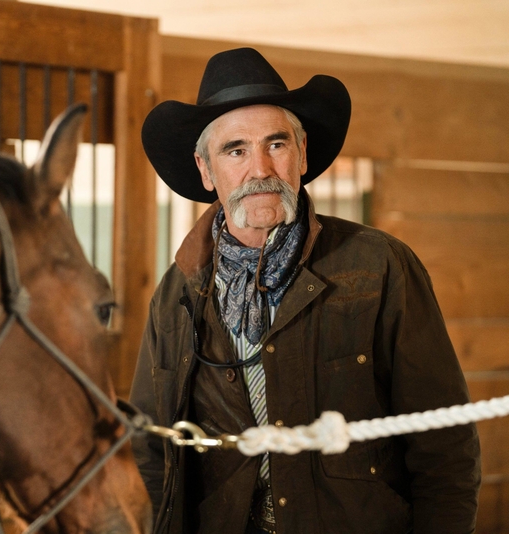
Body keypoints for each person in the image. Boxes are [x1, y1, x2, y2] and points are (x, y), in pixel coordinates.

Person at [130, 47, 481, 534]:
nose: (260, 170)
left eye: (276, 145)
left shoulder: (379, 266)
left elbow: (444, 444)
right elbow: (151, 449)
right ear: (206, 171)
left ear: (302, 154)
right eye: (236, 151)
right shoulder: (177, 294)